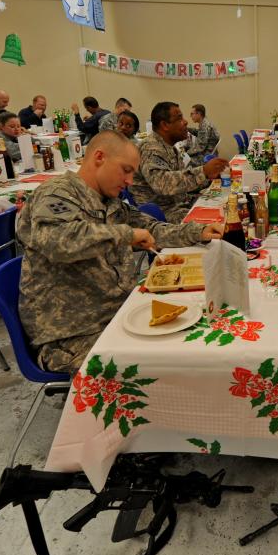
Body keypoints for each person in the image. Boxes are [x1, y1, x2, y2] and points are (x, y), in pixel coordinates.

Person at [17, 131, 223, 375]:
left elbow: (149, 228)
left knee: (199, 334)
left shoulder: (108, 200)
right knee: (169, 366)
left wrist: (197, 232)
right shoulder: (57, 193)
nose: (129, 181)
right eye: (126, 170)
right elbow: (59, 241)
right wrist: (126, 235)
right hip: (72, 334)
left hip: (115, 311)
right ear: (99, 157)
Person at [128, 102, 229, 222]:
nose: (186, 122)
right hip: (162, 215)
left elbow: (183, 179)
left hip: (179, 203)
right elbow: (163, 184)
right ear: (165, 125)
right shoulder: (151, 148)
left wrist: (209, 177)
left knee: (226, 205)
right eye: (179, 118)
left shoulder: (169, 147)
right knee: (219, 221)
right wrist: (204, 171)